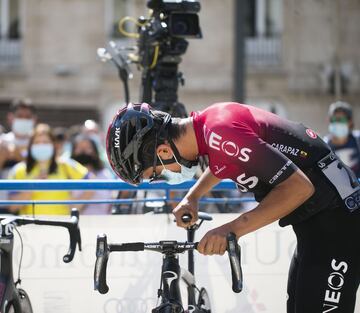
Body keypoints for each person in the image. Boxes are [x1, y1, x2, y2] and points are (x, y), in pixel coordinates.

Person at [106, 102, 360, 313]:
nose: (163, 177)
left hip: (338, 226)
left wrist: (231, 230)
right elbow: (227, 161)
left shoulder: (221, 134)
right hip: (320, 226)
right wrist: (193, 197)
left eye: (156, 174)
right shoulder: (208, 126)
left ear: (163, 151)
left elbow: (299, 188)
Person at [8, 124, 93, 215]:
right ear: (30, 146)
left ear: (53, 145)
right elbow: (12, 207)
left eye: (45, 142)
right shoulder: (19, 170)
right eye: (37, 142)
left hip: (62, 225)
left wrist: (76, 206)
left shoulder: (65, 165)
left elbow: (92, 183)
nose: (41, 145)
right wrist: (33, 187)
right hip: (30, 226)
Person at [71, 135, 114, 214]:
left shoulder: (104, 174)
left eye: (87, 148)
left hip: (102, 223)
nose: (83, 151)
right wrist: (89, 191)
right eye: (79, 148)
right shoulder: (68, 175)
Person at [324, 101, 360, 177]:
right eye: (333, 120)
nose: (337, 123)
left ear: (350, 122)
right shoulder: (324, 147)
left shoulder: (357, 140)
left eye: (341, 120)